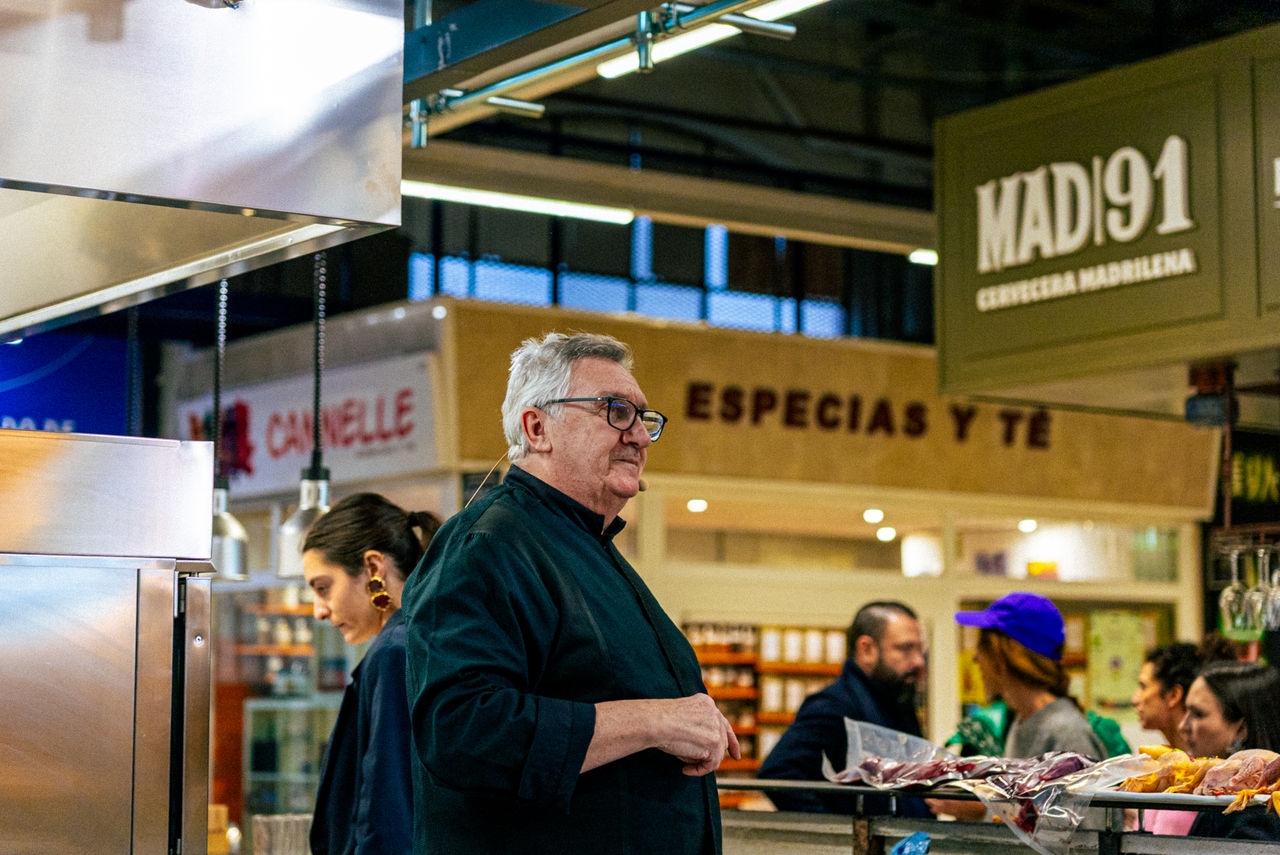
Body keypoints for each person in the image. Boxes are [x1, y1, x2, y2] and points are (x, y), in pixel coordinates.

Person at [401, 332, 739, 854]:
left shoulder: (586, 544)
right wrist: (654, 720)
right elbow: (462, 732)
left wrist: (685, 718)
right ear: (537, 428)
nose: (641, 438)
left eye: (644, 419)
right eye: (616, 411)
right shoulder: (488, 545)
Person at [303, 492, 441, 855]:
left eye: (323, 587)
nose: (319, 610)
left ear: (373, 568)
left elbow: (386, 807)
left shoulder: (395, 651)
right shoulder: (421, 636)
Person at [757, 601, 929, 815]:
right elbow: (778, 774)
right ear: (866, 649)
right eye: (905, 648)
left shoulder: (896, 701)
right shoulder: (834, 706)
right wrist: (840, 834)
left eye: (919, 650)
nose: (918, 662)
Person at [1128, 635, 1235, 835]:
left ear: (1173, 695)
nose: (1135, 699)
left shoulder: (1210, 774)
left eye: (1143, 686)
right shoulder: (1163, 768)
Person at [1181, 661, 1280, 840]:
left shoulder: (1250, 811)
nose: (1183, 726)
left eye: (1198, 714)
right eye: (1185, 711)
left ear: (1242, 729)